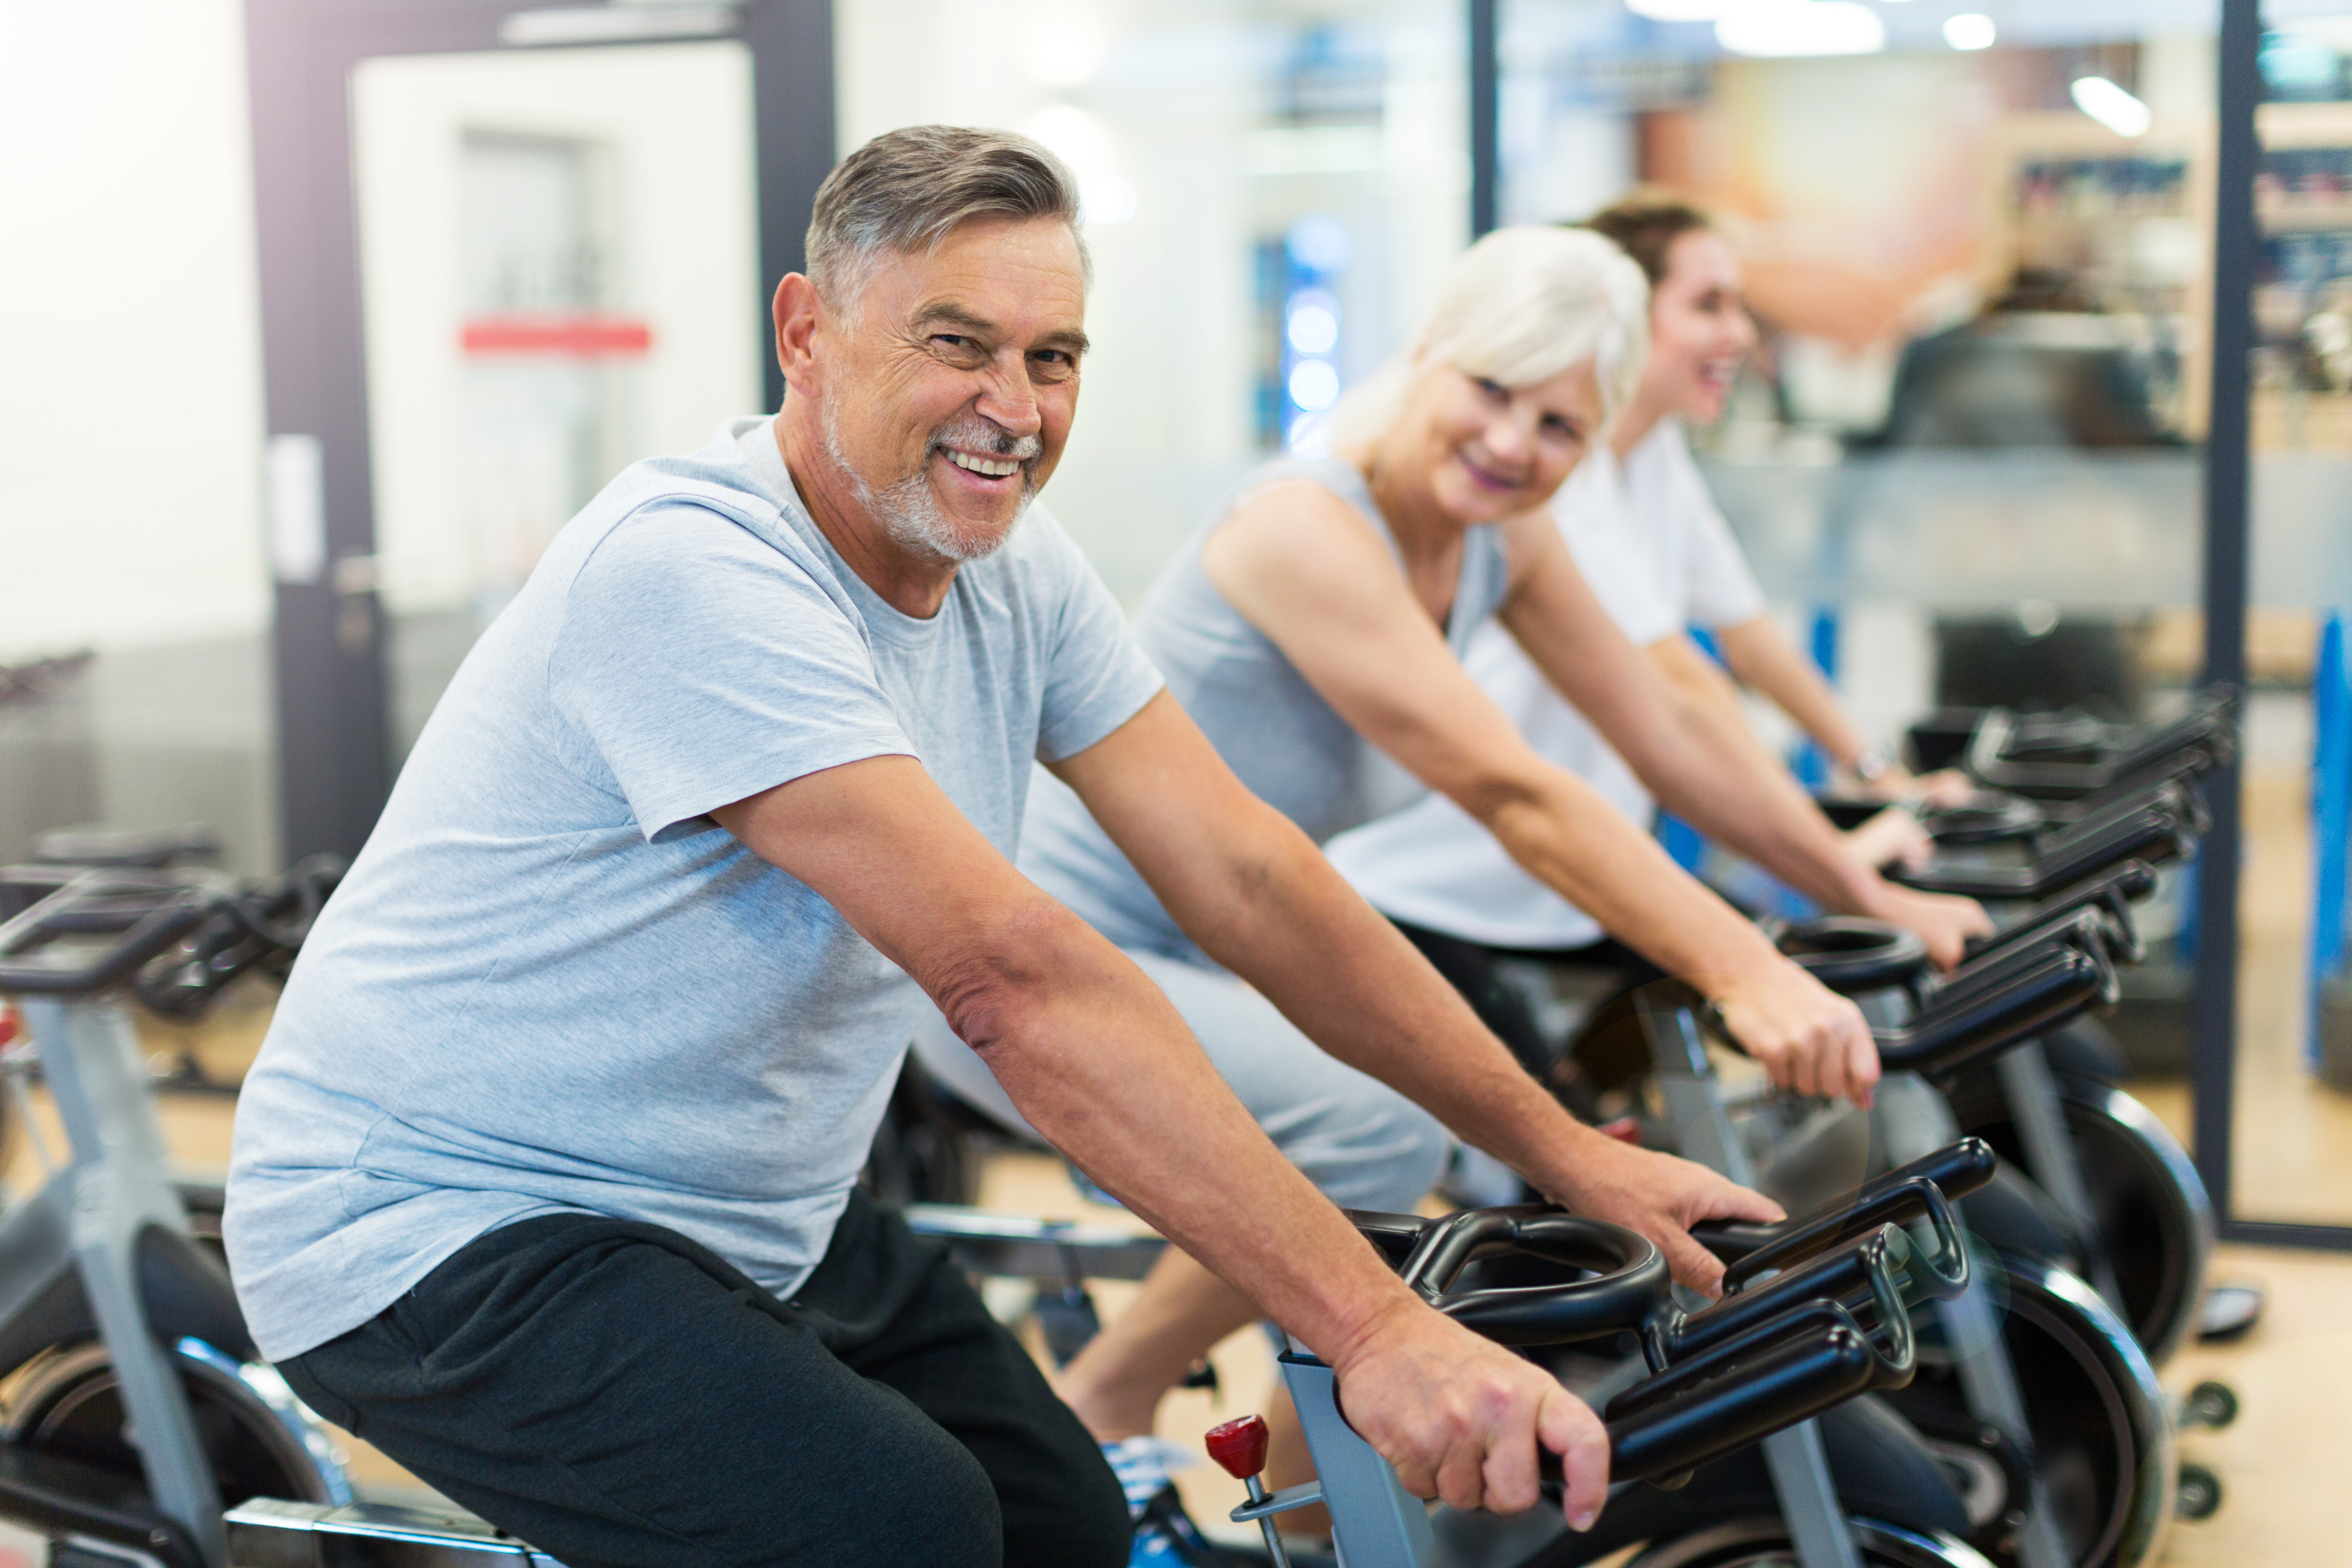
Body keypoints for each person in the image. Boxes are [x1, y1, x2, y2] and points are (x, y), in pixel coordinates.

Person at [223, 127, 1780, 1568]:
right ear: (807, 334)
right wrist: (1378, 1331)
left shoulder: (1013, 573)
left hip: (739, 1210)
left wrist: (1575, 1155)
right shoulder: (692, 572)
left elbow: (1245, 871)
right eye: (956, 344)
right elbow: (1015, 979)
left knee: (1062, 1527)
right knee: (904, 1527)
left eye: (1053, 358)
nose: (1017, 408)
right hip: (437, 1226)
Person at [913, 222, 1988, 1557]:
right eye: (1490, 391)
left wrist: (1858, 887)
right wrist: (1746, 969)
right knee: (1373, 1132)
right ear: (1426, 355)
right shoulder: (1304, 528)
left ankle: (1306, 1534)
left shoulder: (1504, 538)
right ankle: (1105, 1403)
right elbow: (1521, 793)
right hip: (1054, 947)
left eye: (1556, 424)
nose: (1511, 443)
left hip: (1218, 951)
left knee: (1407, 1188)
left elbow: (1667, 727)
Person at [1325, 194, 1974, 1068]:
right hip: (1434, 888)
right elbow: (1672, 703)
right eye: (1707, 306)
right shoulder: (1541, 489)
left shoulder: (1625, 467)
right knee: (1536, 1155)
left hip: (1565, 880)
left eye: (1555, 422)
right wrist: (1841, 869)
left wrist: (1873, 785)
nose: (1738, 335)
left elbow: (1738, 653)